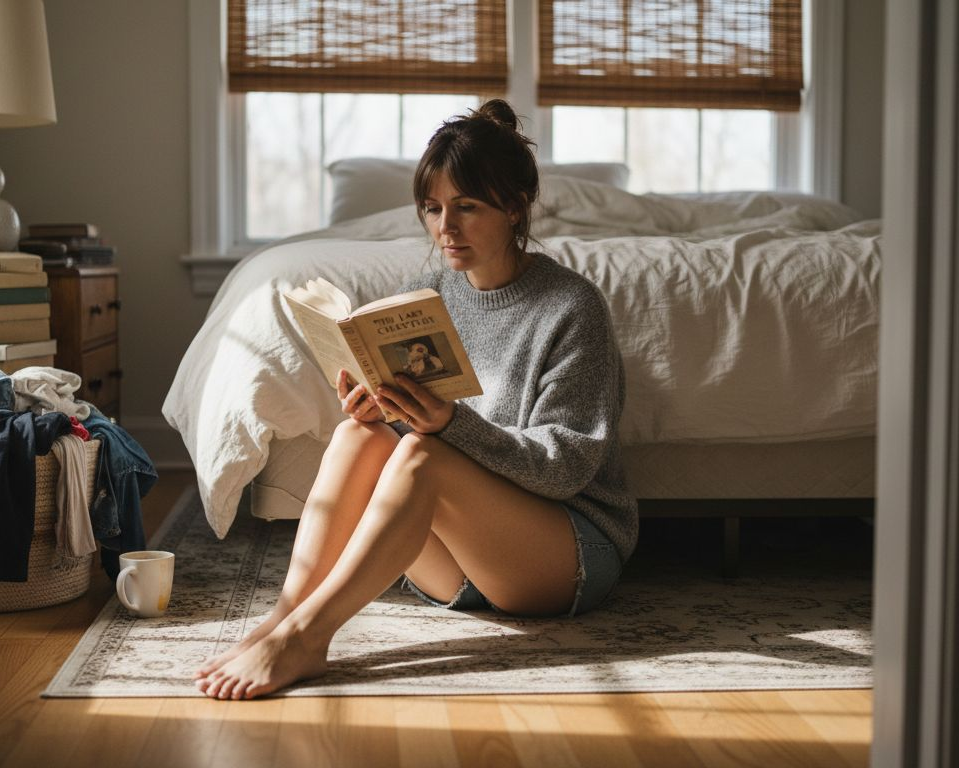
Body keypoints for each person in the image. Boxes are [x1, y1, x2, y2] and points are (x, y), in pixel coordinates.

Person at [194, 99, 637, 700]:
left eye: (467, 207)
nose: (444, 229)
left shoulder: (570, 306)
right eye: (433, 209)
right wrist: (380, 408)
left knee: (424, 458)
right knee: (361, 434)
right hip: (460, 565)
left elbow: (567, 467)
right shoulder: (426, 294)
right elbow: (410, 434)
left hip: (565, 553)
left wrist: (450, 424)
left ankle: (308, 640)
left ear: (513, 207)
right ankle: (284, 619)